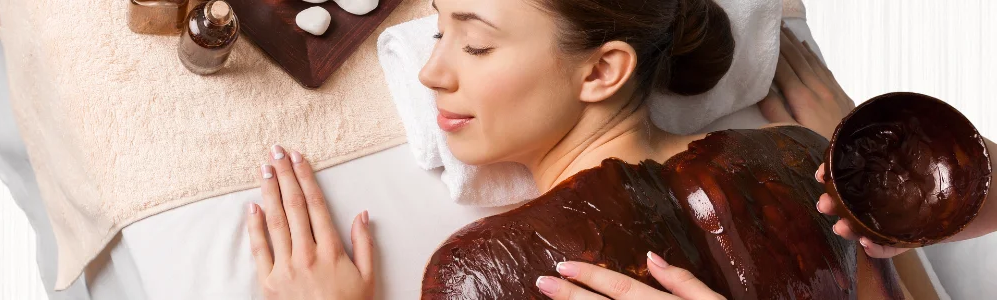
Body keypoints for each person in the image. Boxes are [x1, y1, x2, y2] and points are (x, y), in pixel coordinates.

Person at [240, 0, 996, 298]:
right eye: (438, 33)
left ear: (603, 69)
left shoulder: (486, 275)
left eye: (472, 43)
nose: (432, 72)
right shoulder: (801, 158)